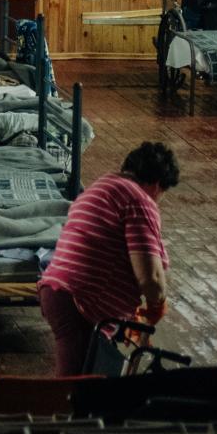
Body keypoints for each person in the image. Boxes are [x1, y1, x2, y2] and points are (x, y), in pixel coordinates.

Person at [37, 141, 177, 376]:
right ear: (156, 184)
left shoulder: (101, 187)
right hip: (80, 300)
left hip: (59, 292)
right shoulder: (139, 200)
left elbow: (107, 251)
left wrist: (129, 317)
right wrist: (156, 306)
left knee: (84, 377)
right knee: (75, 390)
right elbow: (150, 277)